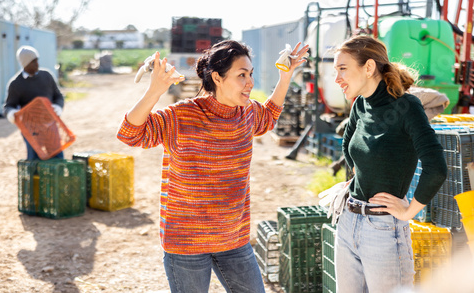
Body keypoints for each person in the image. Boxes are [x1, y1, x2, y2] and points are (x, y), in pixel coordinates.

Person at [117, 40, 309, 292]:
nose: (250, 82)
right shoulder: (182, 115)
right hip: (186, 242)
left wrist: (286, 76)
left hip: (234, 239)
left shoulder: (247, 113)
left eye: (250, 74)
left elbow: (269, 115)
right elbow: (130, 134)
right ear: (217, 77)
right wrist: (155, 90)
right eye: (242, 75)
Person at [332, 35, 447, 293]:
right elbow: (348, 146)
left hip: (383, 230)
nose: (336, 78)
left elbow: (436, 166)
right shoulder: (360, 104)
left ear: (369, 67)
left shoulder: (407, 107)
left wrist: (409, 211)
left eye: (342, 69)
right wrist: (361, 178)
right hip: (348, 221)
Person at [4, 45, 65, 160]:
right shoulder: (16, 84)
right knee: (35, 159)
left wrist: (58, 106)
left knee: (57, 156)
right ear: (25, 64)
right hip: (31, 130)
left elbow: (58, 96)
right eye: (33, 62)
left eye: (37, 60)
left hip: (50, 126)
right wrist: (12, 114)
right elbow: (9, 106)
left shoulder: (46, 76)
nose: (37, 64)